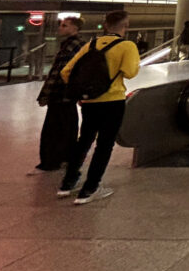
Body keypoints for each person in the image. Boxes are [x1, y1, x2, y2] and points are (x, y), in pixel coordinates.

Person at [57, 10, 140, 205]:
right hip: (113, 101)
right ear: (125, 26)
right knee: (104, 144)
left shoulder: (90, 44)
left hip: (89, 102)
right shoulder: (127, 45)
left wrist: (84, 92)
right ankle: (90, 188)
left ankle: (67, 184)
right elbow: (130, 72)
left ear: (105, 25)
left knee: (84, 140)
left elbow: (67, 71)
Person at [28, 16, 84, 175]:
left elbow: (58, 72)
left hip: (60, 93)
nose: (60, 28)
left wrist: (46, 93)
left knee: (53, 130)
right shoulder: (79, 45)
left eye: (65, 25)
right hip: (70, 94)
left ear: (74, 28)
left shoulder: (71, 45)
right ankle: (67, 158)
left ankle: (50, 162)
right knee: (68, 127)